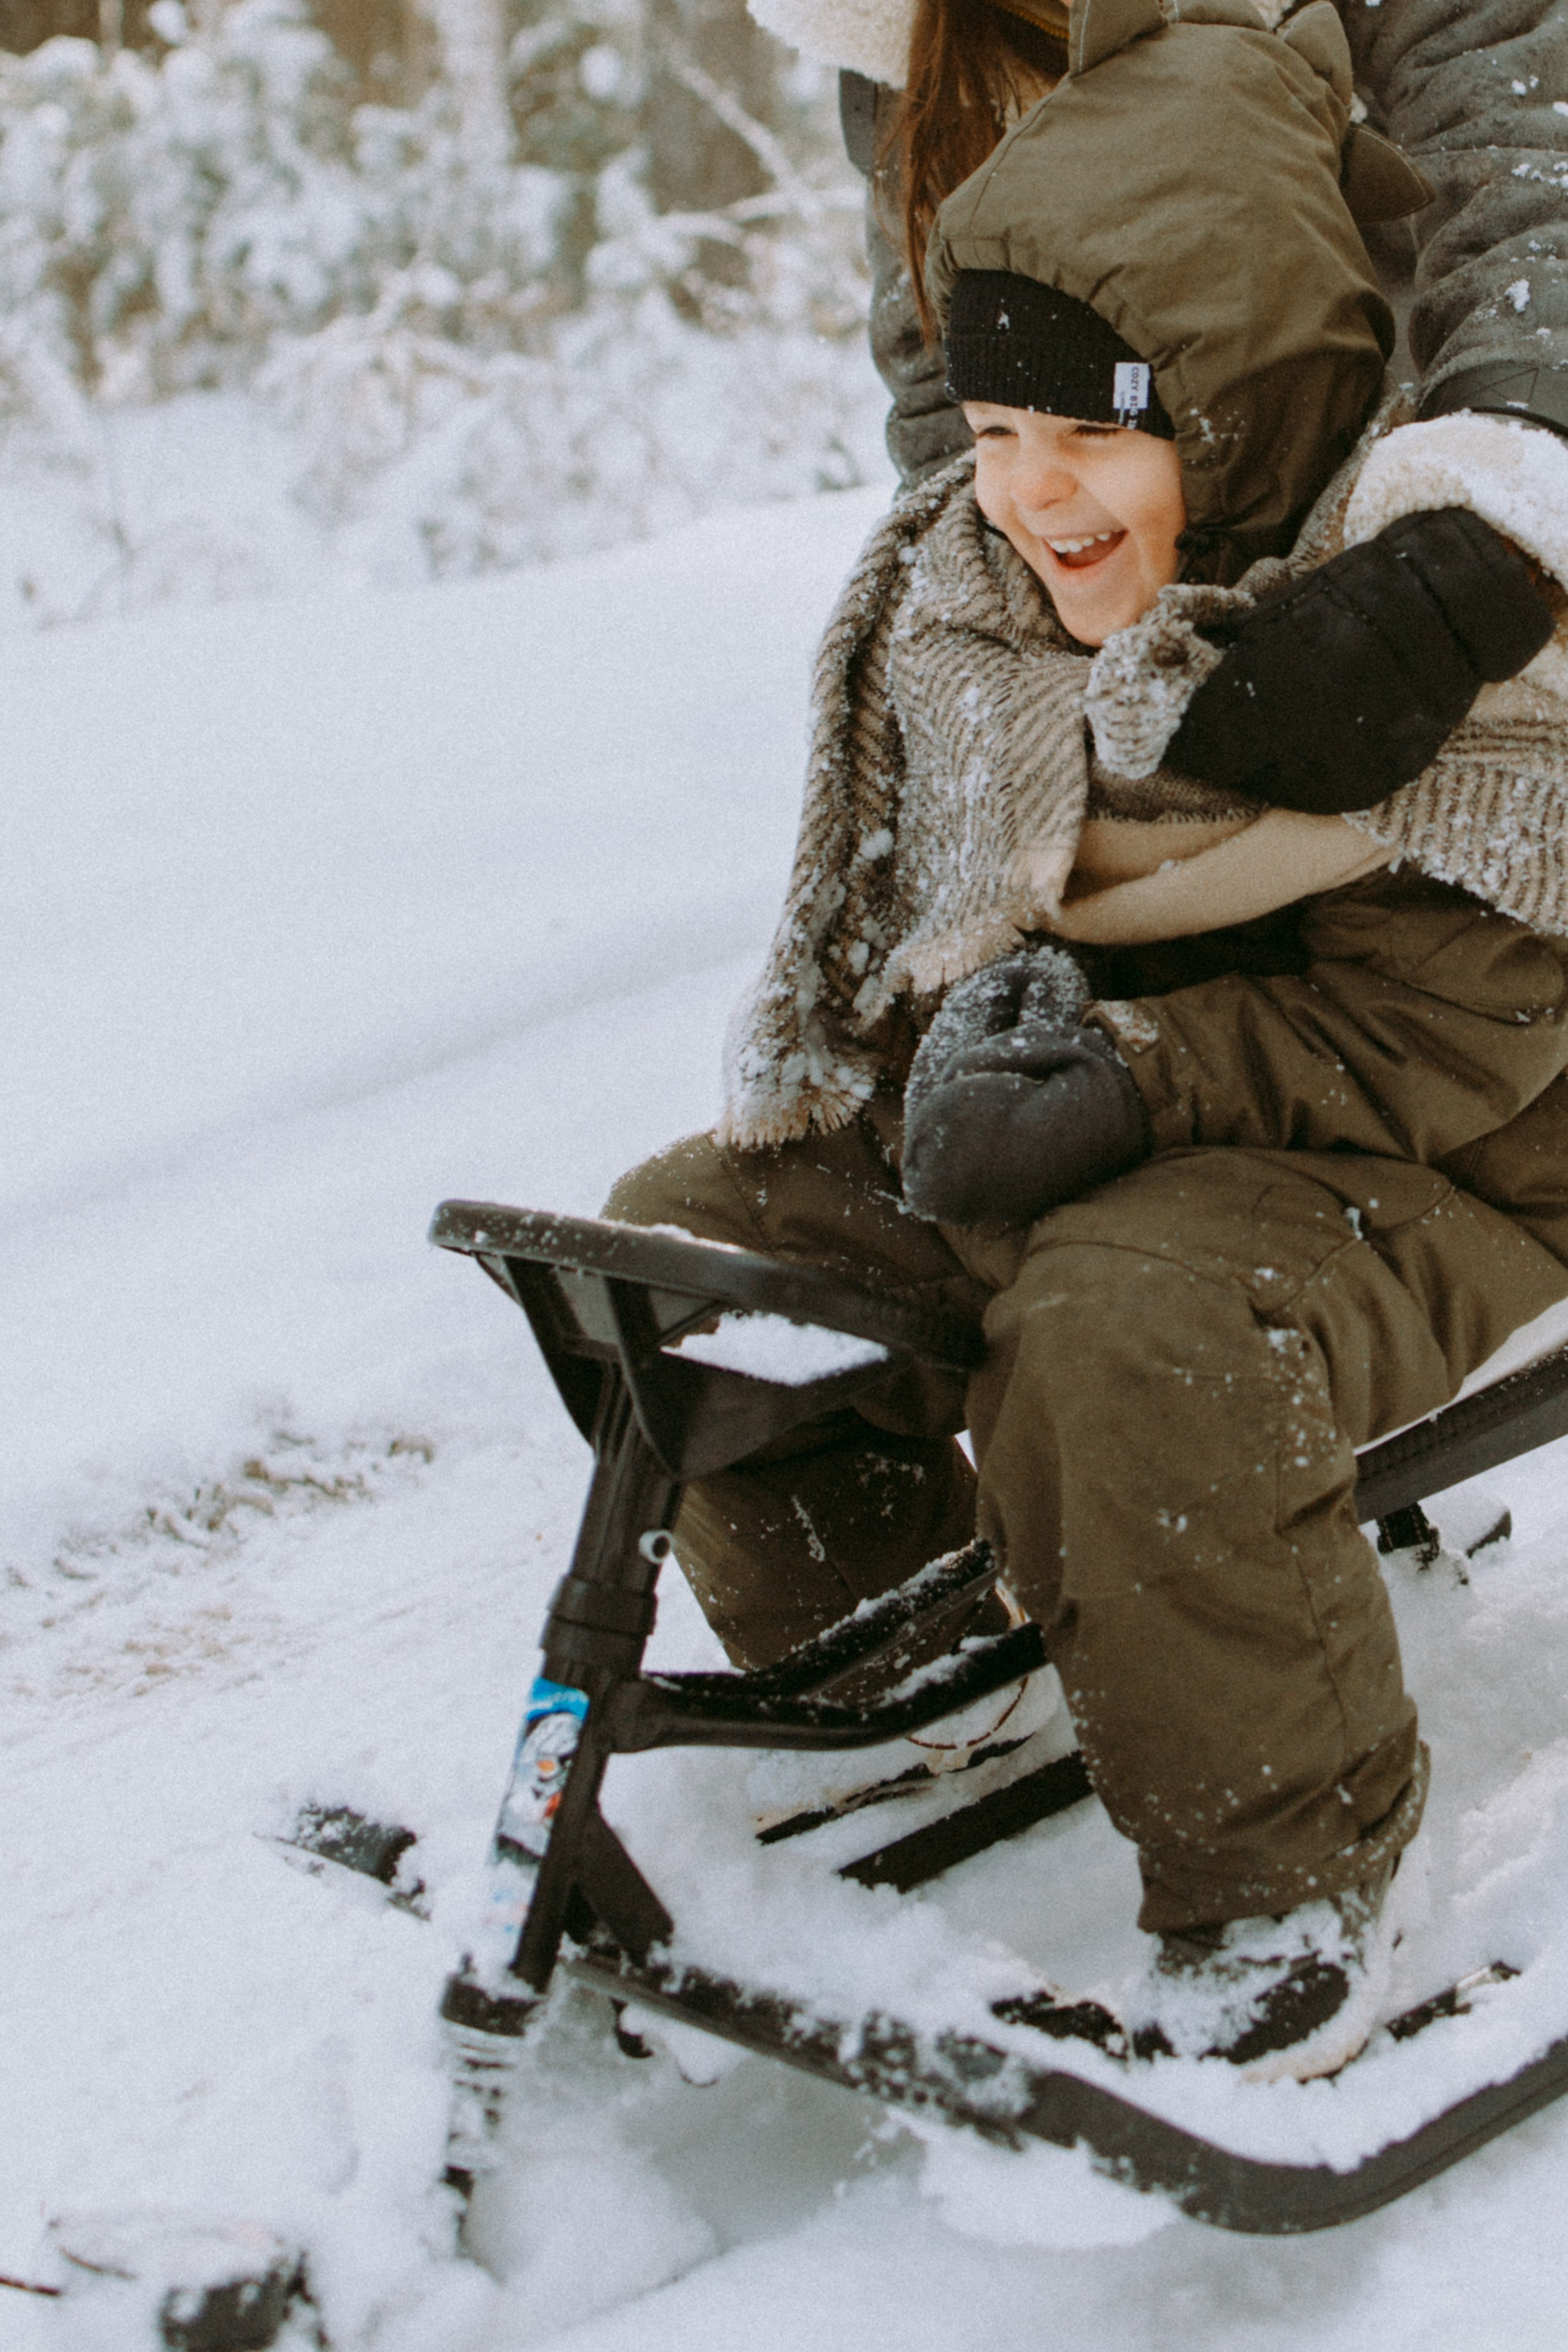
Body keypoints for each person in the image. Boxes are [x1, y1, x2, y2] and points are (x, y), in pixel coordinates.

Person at [605, 3, 1568, 2081]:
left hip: (1462, 1148)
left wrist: (1142, 1081)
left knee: (1129, 1323)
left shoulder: (1438, 689)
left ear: (1223, 421)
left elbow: (1449, 1037)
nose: (1025, 495)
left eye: (1093, 437)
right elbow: (974, 857)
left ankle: (1291, 1869)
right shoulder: (996, 612)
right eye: (991, 436)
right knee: (699, 1238)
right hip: (1178, 1096)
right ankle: (926, 1650)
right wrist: (973, 1034)